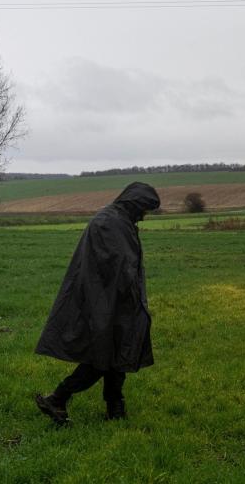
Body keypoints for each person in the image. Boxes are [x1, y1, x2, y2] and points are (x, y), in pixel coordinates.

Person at [33, 182, 161, 424]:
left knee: (117, 350)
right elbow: (120, 267)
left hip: (112, 298)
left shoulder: (116, 220)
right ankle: (59, 397)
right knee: (102, 355)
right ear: (134, 204)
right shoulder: (110, 223)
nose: (143, 217)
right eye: (143, 210)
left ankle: (115, 406)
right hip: (104, 300)